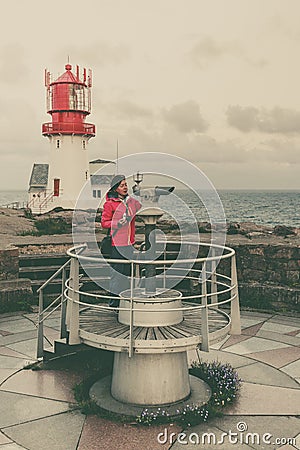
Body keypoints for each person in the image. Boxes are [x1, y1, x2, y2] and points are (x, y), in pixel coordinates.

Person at [101, 175, 142, 306]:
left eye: (126, 185)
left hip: (129, 243)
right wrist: (117, 223)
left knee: (126, 274)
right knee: (117, 275)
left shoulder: (129, 201)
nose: (125, 187)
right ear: (115, 188)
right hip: (117, 245)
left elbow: (140, 206)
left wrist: (135, 196)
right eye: (122, 185)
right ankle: (114, 304)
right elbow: (104, 223)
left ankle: (124, 303)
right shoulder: (110, 204)